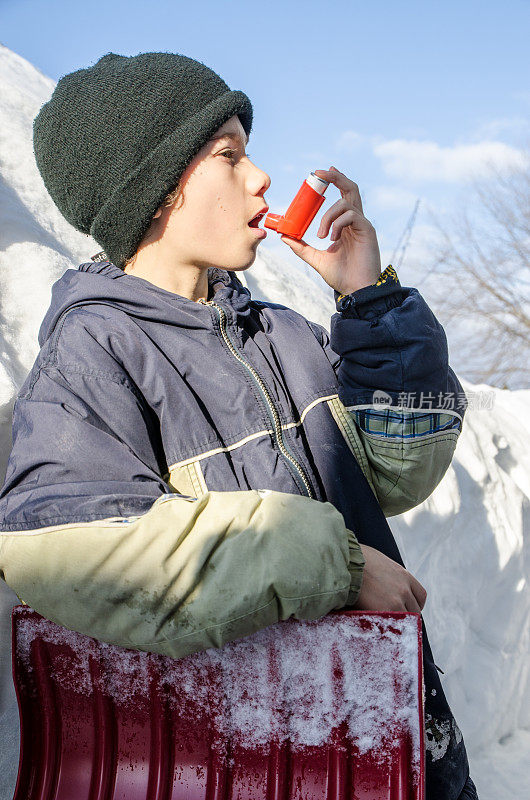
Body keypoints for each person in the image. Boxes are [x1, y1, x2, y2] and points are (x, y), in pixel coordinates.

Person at [0, 51, 478, 799]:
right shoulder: (96, 350)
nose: (259, 177)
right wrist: (337, 565)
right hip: (261, 764)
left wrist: (369, 299)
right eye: (229, 154)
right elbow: (64, 550)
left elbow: (396, 470)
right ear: (154, 192)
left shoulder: (279, 332)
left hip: (381, 742)